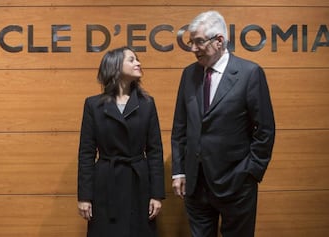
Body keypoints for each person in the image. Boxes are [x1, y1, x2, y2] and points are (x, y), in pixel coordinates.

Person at [171, 11, 275, 237]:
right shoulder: (188, 74)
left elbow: (265, 130)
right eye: (191, 42)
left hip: (236, 183)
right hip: (196, 184)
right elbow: (180, 127)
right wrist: (179, 171)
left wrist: (251, 172)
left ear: (219, 41)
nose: (193, 49)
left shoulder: (249, 73)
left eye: (198, 42)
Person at [77, 46, 165, 237]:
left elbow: (155, 151)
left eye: (137, 59)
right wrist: (85, 197)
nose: (138, 63)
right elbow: (86, 153)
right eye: (132, 60)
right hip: (106, 184)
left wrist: (157, 195)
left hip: (139, 183)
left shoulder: (147, 104)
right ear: (115, 66)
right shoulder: (93, 105)